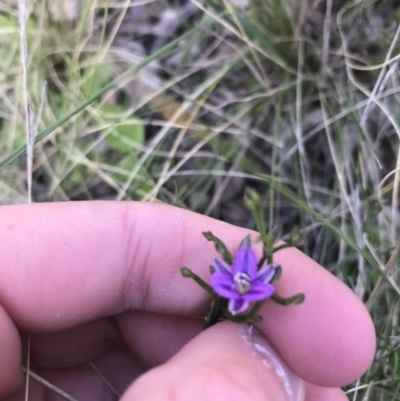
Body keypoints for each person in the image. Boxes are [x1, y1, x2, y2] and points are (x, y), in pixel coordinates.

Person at [0, 202, 375, 401]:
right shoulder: (238, 284)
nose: (242, 281)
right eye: (238, 281)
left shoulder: (248, 284)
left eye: (247, 282)